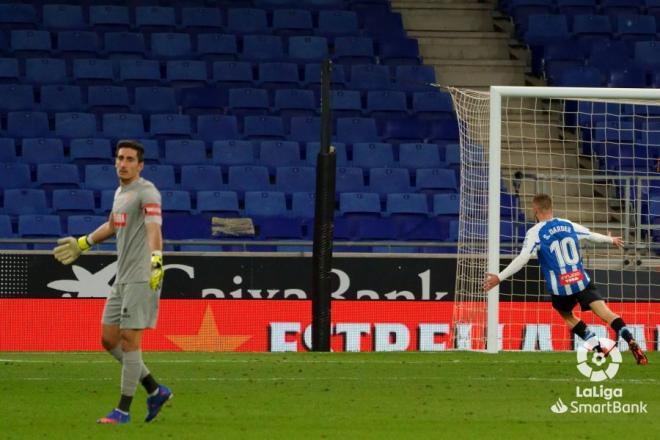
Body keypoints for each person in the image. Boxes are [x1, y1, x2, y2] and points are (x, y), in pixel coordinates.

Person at [53, 140, 173, 424]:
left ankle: (122, 410)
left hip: (142, 276)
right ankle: (155, 390)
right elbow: (111, 224)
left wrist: (156, 259)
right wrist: (83, 243)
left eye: (130, 159)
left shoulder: (147, 192)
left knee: (130, 341)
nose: (123, 163)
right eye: (120, 158)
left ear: (140, 165)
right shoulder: (121, 192)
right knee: (108, 339)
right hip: (122, 277)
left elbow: (154, 227)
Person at [483, 193, 648, 364]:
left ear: (535, 209)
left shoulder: (535, 232)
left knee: (567, 315)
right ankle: (629, 339)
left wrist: (500, 277)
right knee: (607, 314)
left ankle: (597, 347)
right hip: (581, 281)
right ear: (551, 207)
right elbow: (590, 235)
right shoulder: (567, 224)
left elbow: (522, 258)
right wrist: (611, 239)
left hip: (560, 287)